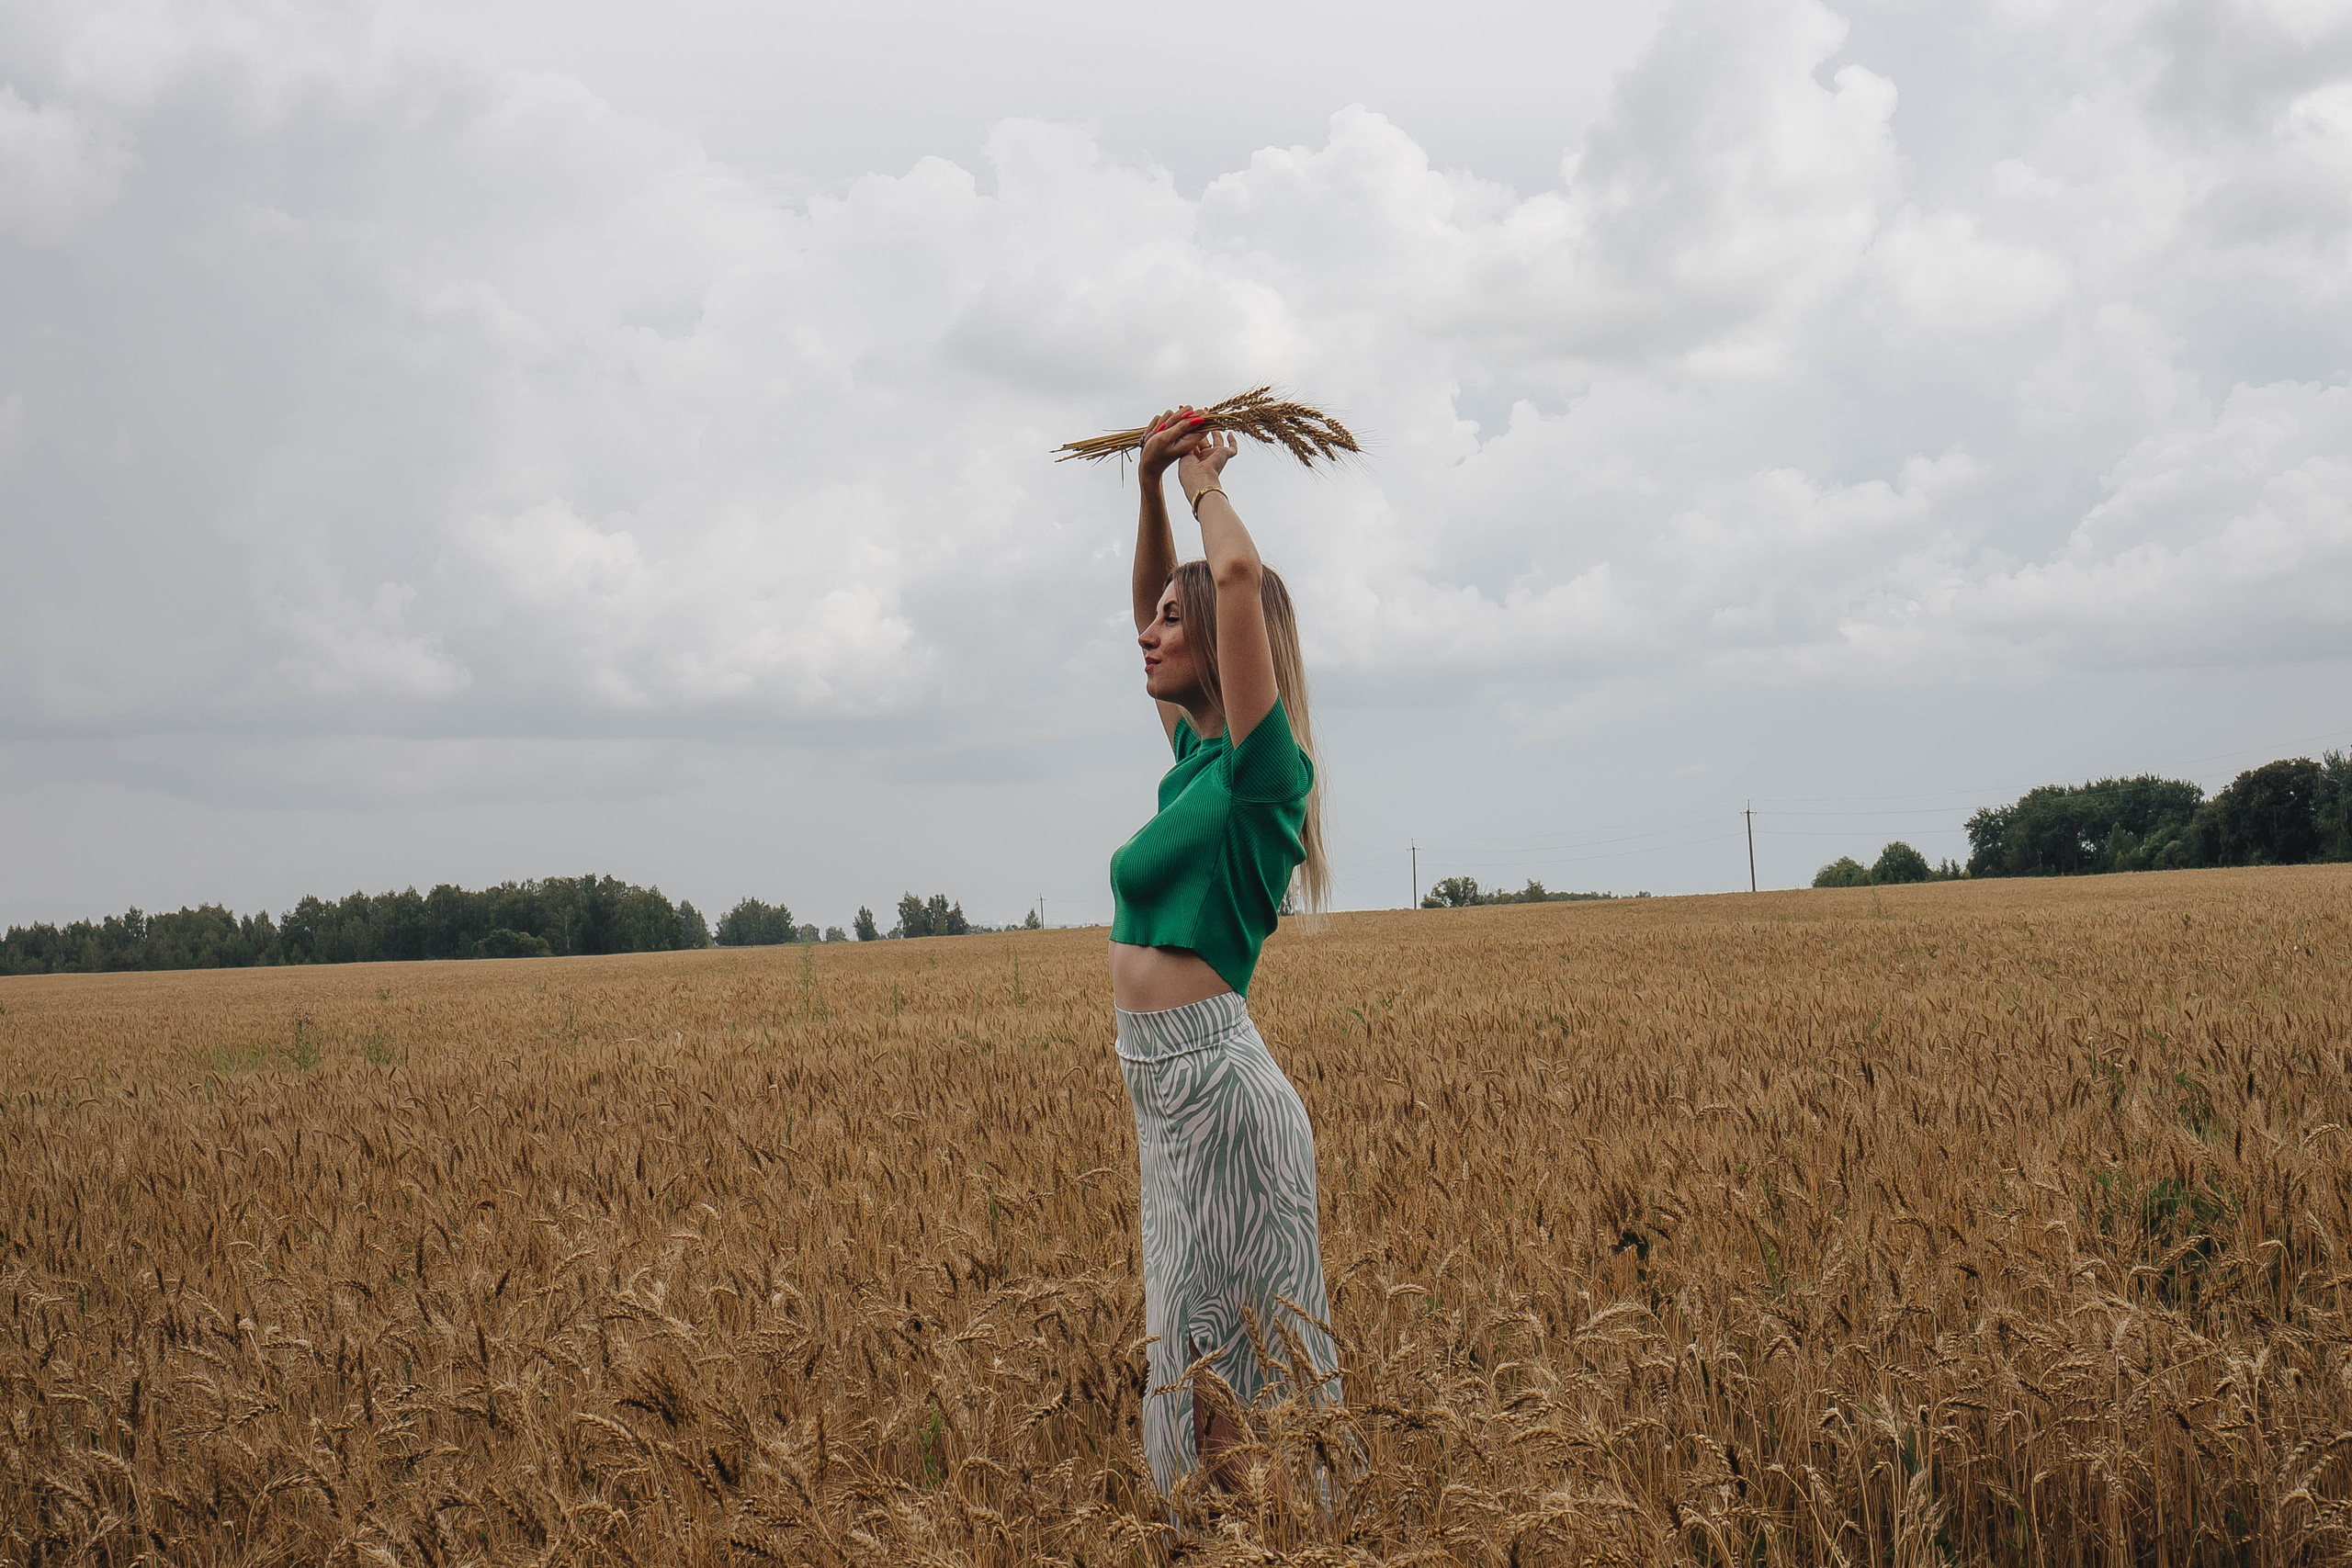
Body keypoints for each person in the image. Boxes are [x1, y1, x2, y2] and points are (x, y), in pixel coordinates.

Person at [1108, 405, 1338, 1499]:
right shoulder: (1196, 760)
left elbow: (1236, 578)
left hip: (1220, 1096)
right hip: (1164, 1098)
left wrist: (1204, 480)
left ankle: (1292, 1540)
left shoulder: (1259, 775)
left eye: (1168, 621)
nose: (1146, 635)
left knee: (1237, 1383)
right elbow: (1172, 596)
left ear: (1216, 635)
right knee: (1193, 1374)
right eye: (1149, 621)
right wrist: (1147, 488)